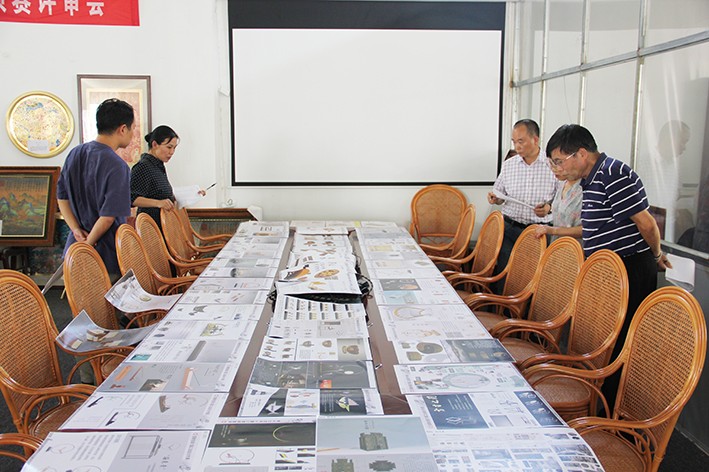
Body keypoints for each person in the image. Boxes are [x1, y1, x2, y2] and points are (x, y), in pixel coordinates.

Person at [544, 124, 671, 411]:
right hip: (609, 272)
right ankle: (598, 398)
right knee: (606, 336)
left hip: (629, 267)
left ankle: (613, 409)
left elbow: (646, 223)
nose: (557, 168)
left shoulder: (613, 173)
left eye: (559, 161)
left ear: (581, 154)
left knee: (621, 340)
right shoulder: (591, 178)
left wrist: (656, 255)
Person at [57, 98, 135, 278]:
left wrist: (76, 230)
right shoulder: (117, 166)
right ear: (123, 129)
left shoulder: (75, 153)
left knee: (79, 294)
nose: (132, 134)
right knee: (106, 296)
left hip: (75, 246)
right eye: (133, 128)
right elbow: (108, 217)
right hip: (104, 252)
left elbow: (62, 197)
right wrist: (88, 244)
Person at [487, 119, 557, 283]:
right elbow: (499, 191)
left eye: (521, 141)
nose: (517, 147)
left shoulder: (552, 165)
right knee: (505, 274)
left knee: (533, 279)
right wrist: (495, 198)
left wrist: (549, 207)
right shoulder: (509, 165)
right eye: (514, 142)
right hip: (510, 228)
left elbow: (562, 198)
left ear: (535, 139)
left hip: (538, 232)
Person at [131, 125, 206, 230]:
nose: (172, 152)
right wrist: (158, 203)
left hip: (164, 226)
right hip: (150, 229)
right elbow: (132, 199)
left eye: (174, 148)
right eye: (169, 147)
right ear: (155, 144)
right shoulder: (143, 167)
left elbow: (160, 193)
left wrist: (192, 193)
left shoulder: (158, 166)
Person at [533, 160, 583, 243]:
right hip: (558, 245)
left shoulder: (585, 188)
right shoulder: (562, 183)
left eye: (557, 164)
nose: (553, 169)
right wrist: (548, 207)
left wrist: (553, 230)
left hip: (576, 246)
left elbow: (588, 229)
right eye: (551, 164)